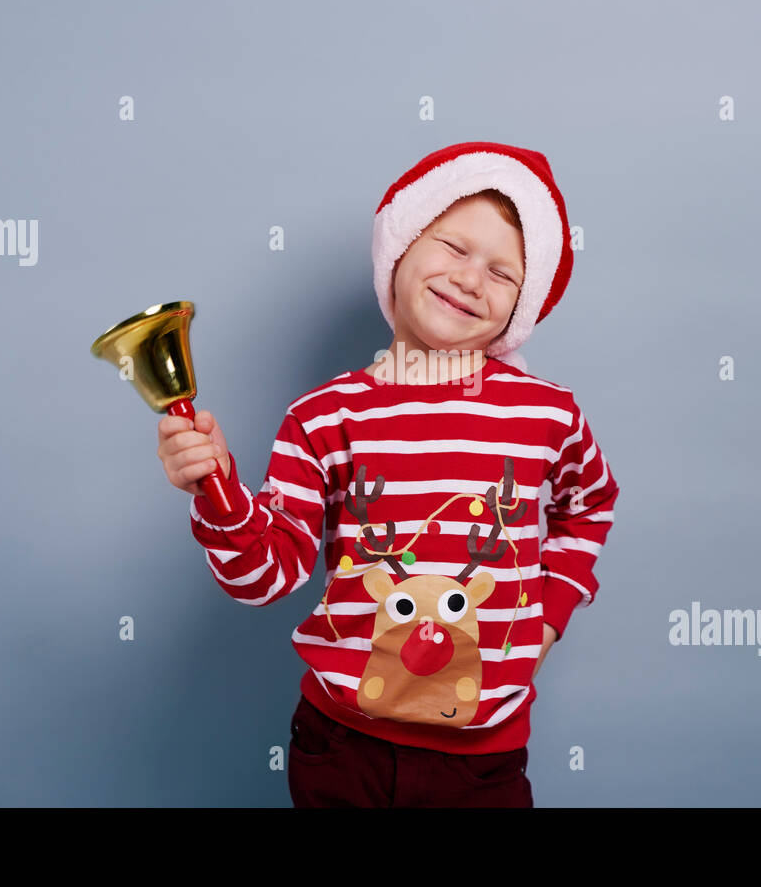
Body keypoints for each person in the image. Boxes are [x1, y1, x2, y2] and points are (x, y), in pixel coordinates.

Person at [156, 142, 619, 807]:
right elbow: (265, 576)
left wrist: (548, 614)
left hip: (482, 759)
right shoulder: (322, 416)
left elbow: (590, 503)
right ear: (400, 246)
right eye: (454, 247)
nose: (470, 279)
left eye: (502, 272)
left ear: (522, 305)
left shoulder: (545, 412)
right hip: (343, 747)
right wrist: (216, 487)